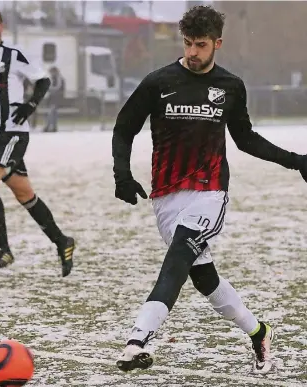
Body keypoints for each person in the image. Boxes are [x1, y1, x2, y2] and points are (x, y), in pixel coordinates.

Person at [112, 5, 307, 374]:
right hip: (166, 197)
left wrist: (296, 160)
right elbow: (124, 128)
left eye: (201, 45)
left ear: (218, 43)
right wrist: (122, 174)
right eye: (187, 43)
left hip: (209, 192)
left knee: (175, 262)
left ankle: (137, 339)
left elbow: (245, 138)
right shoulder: (158, 82)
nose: (193, 52)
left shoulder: (230, 86)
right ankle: (259, 332)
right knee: (205, 280)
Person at [0, 7, 75, 277]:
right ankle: (62, 241)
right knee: (24, 193)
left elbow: (43, 81)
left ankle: (3, 249)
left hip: (13, 133)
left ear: (1, 26)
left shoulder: (13, 56)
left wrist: (30, 105)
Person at [43, 66, 65, 133]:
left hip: (55, 98)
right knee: (53, 113)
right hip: (52, 98)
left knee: (51, 112)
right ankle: (53, 127)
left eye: (51, 72)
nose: (51, 73)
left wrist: (50, 89)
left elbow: (57, 87)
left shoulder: (58, 78)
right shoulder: (53, 78)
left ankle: (49, 127)